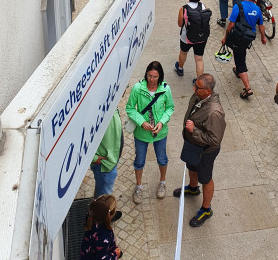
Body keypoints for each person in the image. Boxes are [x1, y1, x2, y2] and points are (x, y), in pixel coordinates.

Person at [173, 73, 226, 227]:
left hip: (206, 151)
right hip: (193, 145)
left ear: (207, 91)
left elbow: (215, 140)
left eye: (197, 87)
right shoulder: (199, 96)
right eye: (195, 85)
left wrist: (194, 130)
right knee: (191, 166)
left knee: (206, 178)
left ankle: (206, 209)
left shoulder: (214, 112)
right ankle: (193, 188)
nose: (193, 88)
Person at [126, 61, 175, 204]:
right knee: (139, 161)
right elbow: (130, 108)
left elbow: (170, 108)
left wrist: (161, 122)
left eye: (155, 76)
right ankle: (139, 186)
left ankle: (162, 183)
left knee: (162, 159)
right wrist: (141, 122)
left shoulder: (165, 89)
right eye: (149, 75)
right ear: (146, 74)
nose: (151, 79)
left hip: (160, 133)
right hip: (142, 134)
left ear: (160, 77)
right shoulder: (137, 88)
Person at [223, 0, 266, 99]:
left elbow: (231, 25)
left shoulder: (238, 6)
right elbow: (261, 25)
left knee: (240, 59)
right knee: (241, 52)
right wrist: (263, 37)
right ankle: (237, 70)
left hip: (238, 36)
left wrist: (225, 38)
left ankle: (247, 88)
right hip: (248, 38)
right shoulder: (257, 8)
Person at [175, 0, 210, 81]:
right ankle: (199, 81)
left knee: (183, 52)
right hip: (201, 37)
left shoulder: (184, 8)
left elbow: (179, 24)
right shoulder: (203, 6)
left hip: (186, 37)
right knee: (199, 59)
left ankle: (180, 68)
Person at [79, 194, 122, 260]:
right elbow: (102, 258)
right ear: (110, 215)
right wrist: (115, 255)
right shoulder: (104, 235)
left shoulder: (90, 217)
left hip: (86, 258)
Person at [90, 111, 124, 200]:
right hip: (104, 163)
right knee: (104, 197)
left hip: (110, 159)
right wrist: (93, 157)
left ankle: (96, 206)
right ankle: (100, 212)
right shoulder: (92, 107)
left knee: (101, 189)